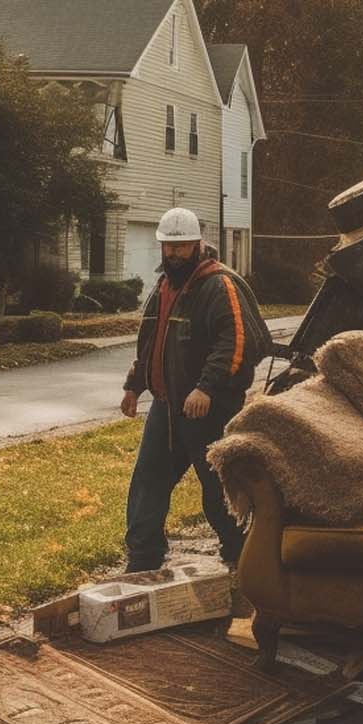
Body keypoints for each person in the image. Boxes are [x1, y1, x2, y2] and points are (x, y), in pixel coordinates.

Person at [120, 207, 271, 572]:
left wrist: (207, 387)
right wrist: (134, 386)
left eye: (181, 246)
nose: (173, 254)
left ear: (198, 244)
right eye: (168, 247)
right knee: (148, 483)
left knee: (219, 490)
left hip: (210, 408)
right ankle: (143, 560)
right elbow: (150, 343)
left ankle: (243, 555)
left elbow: (236, 342)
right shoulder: (164, 287)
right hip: (166, 406)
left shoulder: (219, 285)